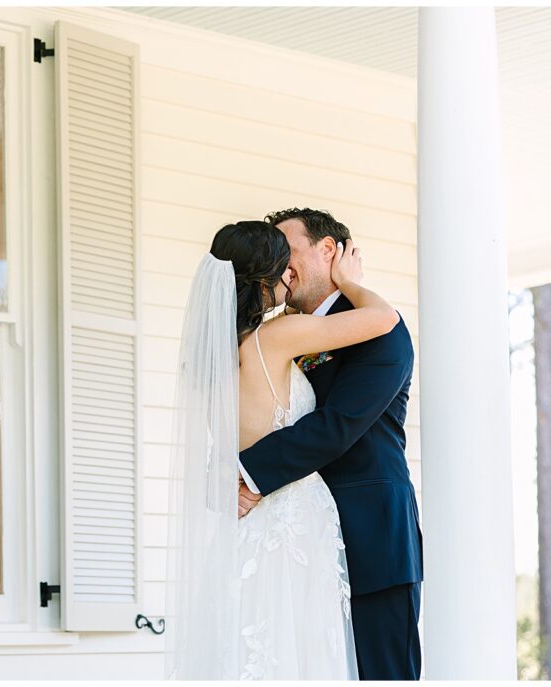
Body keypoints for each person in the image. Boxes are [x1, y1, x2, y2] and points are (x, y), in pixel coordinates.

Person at [164, 219, 400, 680]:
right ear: (261, 283)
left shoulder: (209, 357)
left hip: (243, 530)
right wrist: (350, 282)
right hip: (295, 525)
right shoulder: (276, 340)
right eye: (282, 271)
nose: (290, 277)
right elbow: (384, 319)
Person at [237, 208, 423, 681]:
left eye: (288, 249)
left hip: (371, 539)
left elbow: (338, 424)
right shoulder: (277, 335)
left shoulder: (381, 332)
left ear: (328, 251)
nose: (282, 263)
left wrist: (248, 474)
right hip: (299, 542)